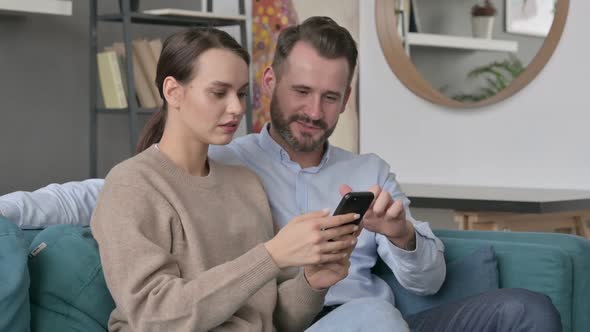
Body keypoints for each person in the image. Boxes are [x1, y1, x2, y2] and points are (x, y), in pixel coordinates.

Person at [0, 17, 562, 332]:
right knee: (372, 315)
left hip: (361, 314)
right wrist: (9, 208)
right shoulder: (223, 160)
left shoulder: (351, 172)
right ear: (273, 84)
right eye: (301, 92)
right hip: (348, 321)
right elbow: (110, 194)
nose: (314, 111)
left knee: (524, 310)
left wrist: (390, 240)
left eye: (331, 97)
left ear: (346, 101)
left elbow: (288, 308)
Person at [89, 27, 365, 332]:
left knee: (375, 316)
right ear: (172, 91)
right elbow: (154, 315)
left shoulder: (246, 184)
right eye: (219, 93)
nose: (236, 108)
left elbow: (275, 319)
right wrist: (269, 256)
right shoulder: (132, 185)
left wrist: (313, 282)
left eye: (241, 93)